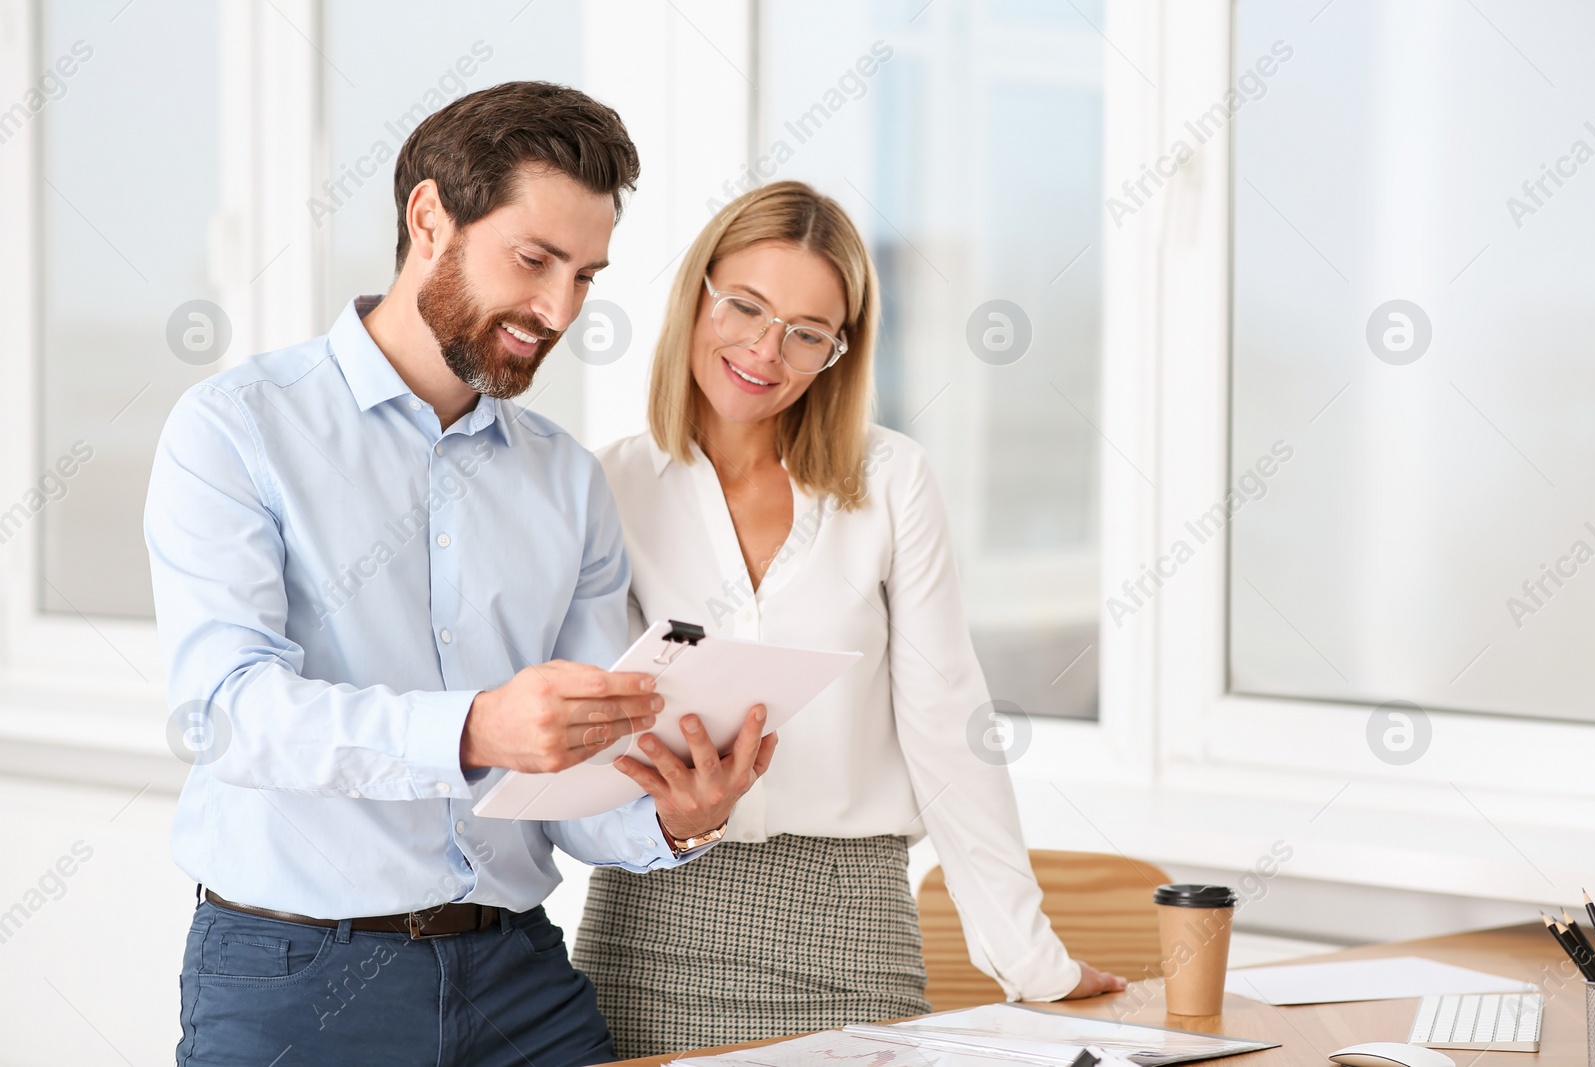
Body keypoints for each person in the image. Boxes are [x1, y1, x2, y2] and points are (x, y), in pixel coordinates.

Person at [144, 81, 774, 1067]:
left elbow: (580, 775)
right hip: (296, 979)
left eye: (585, 274)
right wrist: (477, 727)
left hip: (519, 980)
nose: (557, 309)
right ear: (429, 216)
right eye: (533, 260)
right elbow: (225, 710)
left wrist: (673, 815)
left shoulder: (567, 480)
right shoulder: (237, 429)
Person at [570, 180, 1127, 1058]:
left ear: (840, 350)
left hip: (850, 926)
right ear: (697, 295)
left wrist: (1033, 961)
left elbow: (949, 722)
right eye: (745, 307)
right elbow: (598, 734)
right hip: (654, 930)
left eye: (807, 334)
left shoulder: (892, 481)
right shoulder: (609, 486)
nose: (766, 350)